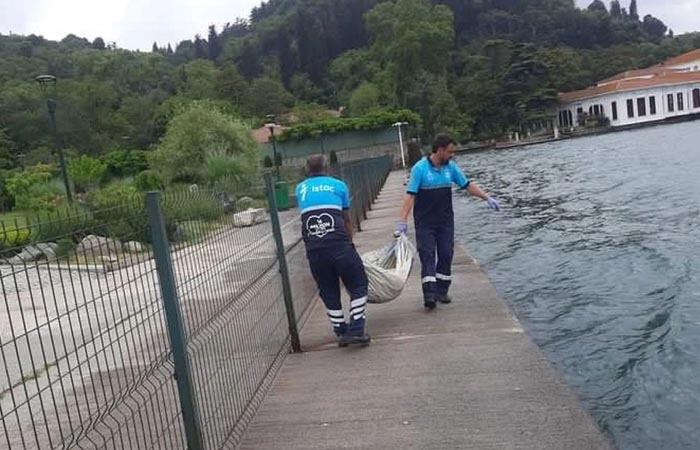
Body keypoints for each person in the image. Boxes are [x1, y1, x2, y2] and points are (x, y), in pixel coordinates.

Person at [396, 134, 501, 310]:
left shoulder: (451, 168)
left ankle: (441, 291)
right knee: (428, 255)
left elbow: (467, 185)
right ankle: (429, 294)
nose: (452, 155)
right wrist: (402, 221)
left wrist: (487, 197)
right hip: (425, 223)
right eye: (450, 151)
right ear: (440, 150)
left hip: (445, 221)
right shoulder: (420, 169)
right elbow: (410, 196)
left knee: (446, 254)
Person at [295, 154, 371, 346]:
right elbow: (346, 219)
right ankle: (356, 328)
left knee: (328, 289)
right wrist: (349, 242)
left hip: (314, 249)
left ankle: (341, 331)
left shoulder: (300, 188)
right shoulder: (339, 185)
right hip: (339, 244)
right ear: (327, 167)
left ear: (307, 170)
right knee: (358, 282)